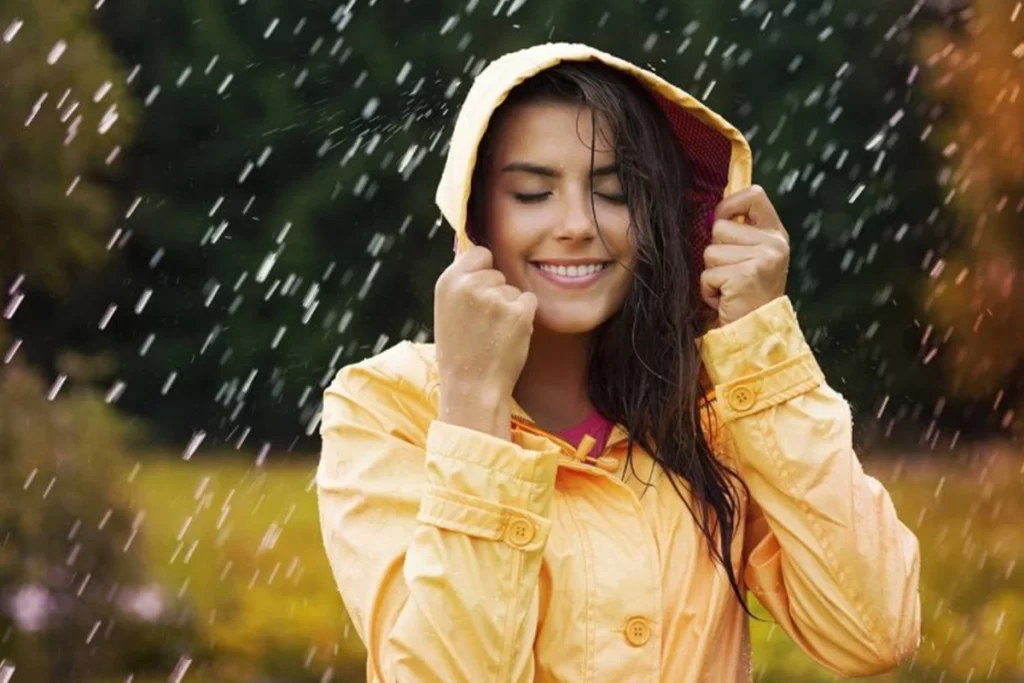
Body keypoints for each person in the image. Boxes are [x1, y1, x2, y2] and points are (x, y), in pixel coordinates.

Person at [316, 42, 921, 682]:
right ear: (475, 216)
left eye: (615, 192)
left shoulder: (713, 412)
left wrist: (761, 342)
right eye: (531, 193)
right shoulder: (385, 409)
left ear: (658, 215)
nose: (577, 224)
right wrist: (471, 406)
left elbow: (874, 629)